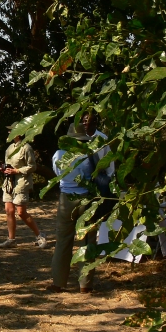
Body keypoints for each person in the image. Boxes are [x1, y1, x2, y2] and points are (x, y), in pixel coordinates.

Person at [49, 121, 114, 293]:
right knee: (87, 241)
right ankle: (85, 284)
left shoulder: (59, 154)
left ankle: (58, 282)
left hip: (66, 199)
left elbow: (57, 173)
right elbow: (99, 173)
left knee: (63, 240)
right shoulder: (89, 154)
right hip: (87, 199)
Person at [0, 125, 48, 249]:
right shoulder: (9, 148)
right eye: (9, 130)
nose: (9, 132)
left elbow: (32, 166)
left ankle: (40, 235)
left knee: (21, 212)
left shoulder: (26, 147)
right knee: (9, 211)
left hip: (21, 183)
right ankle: (11, 239)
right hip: (9, 183)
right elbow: (8, 165)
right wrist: (5, 170)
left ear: (19, 132)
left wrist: (17, 171)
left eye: (11, 130)